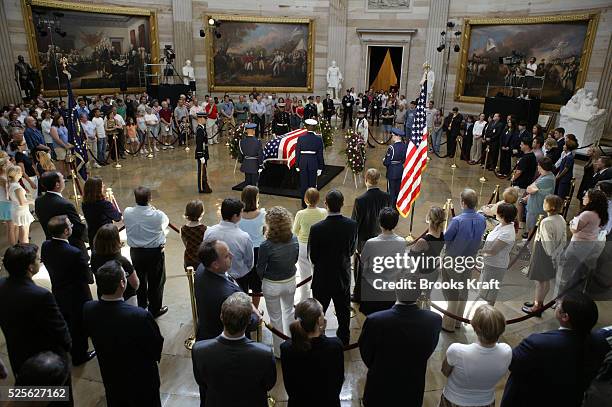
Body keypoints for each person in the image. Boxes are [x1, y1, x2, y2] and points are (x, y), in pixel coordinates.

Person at [83, 260, 164, 407]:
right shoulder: (139, 316)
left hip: (111, 375)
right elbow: (155, 345)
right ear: (122, 283)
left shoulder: (88, 308)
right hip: (141, 379)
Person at [501, 292, 600, 407]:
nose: (556, 304)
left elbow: (513, 363)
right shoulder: (598, 342)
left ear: (565, 316)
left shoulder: (537, 343)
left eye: (559, 305)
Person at [359, 271, 442, 407]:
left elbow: (366, 353)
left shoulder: (375, 321)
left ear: (396, 289)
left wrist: (380, 366)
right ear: (419, 292)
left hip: (380, 385)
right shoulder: (434, 320)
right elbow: (429, 349)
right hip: (412, 387)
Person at [0, 244, 71, 378]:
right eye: (38, 259)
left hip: (18, 355)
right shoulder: (41, 295)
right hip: (47, 360)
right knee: (58, 397)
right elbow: (59, 329)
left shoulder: (1, 285)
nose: (40, 260)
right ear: (30, 267)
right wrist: (67, 348)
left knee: (32, 394)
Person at [192, 292, 276, 407]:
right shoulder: (264, 354)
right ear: (248, 321)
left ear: (221, 317)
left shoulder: (199, 350)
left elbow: (201, 382)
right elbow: (268, 384)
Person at [41, 215, 96, 366]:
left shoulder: (45, 246)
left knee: (67, 321)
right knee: (77, 325)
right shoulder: (74, 252)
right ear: (66, 231)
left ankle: (68, 345)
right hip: (76, 294)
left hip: (58, 290)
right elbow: (88, 278)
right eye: (70, 225)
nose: (72, 226)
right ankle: (80, 355)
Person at [309, 189, 358, 345]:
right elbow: (351, 250)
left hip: (322, 277)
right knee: (343, 312)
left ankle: (318, 338)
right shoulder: (351, 225)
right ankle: (344, 339)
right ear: (342, 204)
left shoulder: (316, 228)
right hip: (341, 276)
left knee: (318, 312)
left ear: (326, 204)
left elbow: (313, 257)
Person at [440, 305, 511, 407]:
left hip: (453, 400)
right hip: (486, 402)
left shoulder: (457, 350)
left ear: (474, 326)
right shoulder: (506, 351)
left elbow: (445, 371)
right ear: (502, 328)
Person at [280, 298, 344, 407]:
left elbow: (289, 385)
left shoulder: (286, 348)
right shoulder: (335, 346)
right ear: (319, 320)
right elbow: (338, 381)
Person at [441, 188, 486, 332]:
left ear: (463, 203)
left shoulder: (457, 220)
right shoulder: (482, 219)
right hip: (469, 259)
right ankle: (458, 321)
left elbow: (446, 238)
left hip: (453, 260)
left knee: (451, 291)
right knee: (463, 289)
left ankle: (448, 324)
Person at [257, 206, 299, 357]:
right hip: (290, 281)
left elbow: (260, 268)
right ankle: (292, 341)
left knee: (275, 318)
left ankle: (279, 352)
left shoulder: (266, 245)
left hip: (272, 284)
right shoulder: (294, 238)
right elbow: (294, 259)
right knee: (289, 312)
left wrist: (264, 278)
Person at [124, 186, 169, 318]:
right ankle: (155, 309)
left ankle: (142, 304)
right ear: (150, 198)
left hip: (136, 252)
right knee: (156, 281)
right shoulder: (158, 215)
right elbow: (165, 223)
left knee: (140, 279)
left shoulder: (128, 212)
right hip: (154, 253)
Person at [555, 189, 608, 297]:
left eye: (586, 196)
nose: (584, 198)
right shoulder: (600, 212)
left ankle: (559, 298)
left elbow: (574, 229)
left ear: (592, 200)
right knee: (575, 271)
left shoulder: (587, 214)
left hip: (578, 245)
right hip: (588, 244)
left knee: (564, 270)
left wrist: (571, 223)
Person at [359, 207, 407, 315]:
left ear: (379, 223)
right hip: (391, 290)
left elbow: (362, 260)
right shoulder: (401, 242)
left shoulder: (371, 243)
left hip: (373, 288)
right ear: (395, 224)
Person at [351, 168, 391, 301]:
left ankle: (358, 295)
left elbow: (354, 223)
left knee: (360, 270)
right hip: (381, 237)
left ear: (366, 180)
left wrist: (354, 244)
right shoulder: (387, 197)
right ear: (378, 180)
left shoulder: (360, 200)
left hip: (364, 240)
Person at [523, 195, 566, 315]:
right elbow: (563, 239)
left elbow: (547, 242)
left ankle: (537, 307)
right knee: (544, 280)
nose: (543, 203)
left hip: (543, 253)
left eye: (545, 202)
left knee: (540, 282)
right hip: (553, 252)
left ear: (550, 206)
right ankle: (538, 302)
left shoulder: (546, 222)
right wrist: (556, 253)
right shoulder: (561, 218)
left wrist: (550, 256)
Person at [204, 198, 255, 288]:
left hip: (214, 276)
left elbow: (206, 254)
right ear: (235, 216)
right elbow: (249, 261)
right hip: (239, 279)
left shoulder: (209, 231)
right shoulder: (244, 237)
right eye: (241, 212)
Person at [35, 171, 88, 254]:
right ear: (57, 184)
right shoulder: (65, 204)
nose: (64, 180)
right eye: (62, 179)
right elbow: (78, 229)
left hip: (51, 245)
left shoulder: (39, 201)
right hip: (71, 247)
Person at [91, 224, 140, 305]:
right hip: (125, 298)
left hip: (104, 295)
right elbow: (135, 284)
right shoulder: (123, 261)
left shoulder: (94, 255)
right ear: (116, 240)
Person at [478, 203, 517, 305]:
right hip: (489, 263)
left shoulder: (507, 233)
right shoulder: (501, 225)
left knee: (490, 293)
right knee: (484, 291)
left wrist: (477, 252)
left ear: (503, 215)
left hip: (496, 266)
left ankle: (488, 315)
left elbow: (493, 251)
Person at [292, 188, 327, 300]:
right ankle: (317, 298)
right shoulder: (323, 212)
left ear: (306, 199)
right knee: (318, 273)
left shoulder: (300, 214)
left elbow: (295, 231)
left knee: (304, 275)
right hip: (320, 245)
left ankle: (304, 300)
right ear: (318, 200)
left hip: (303, 245)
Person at [409, 206, 446, 306]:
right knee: (427, 296)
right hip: (433, 271)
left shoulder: (424, 241)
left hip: (422, 274)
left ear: (429, 219)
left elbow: (411, 254)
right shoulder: (442, 235)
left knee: (417, 298)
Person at [237, 186, 265, 306]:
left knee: (243, 279)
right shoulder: (262, 214)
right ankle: (255, 308)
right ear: (255, 199)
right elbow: (265, 232)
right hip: (257, 251)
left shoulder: (237, 215)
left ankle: (243, 308)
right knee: (256, 284)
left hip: (242, 249)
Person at [81, 176, 122, 245]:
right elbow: (117, 217)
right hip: (106, 237)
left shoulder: (85, 203)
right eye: (102, 186)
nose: (104, 186)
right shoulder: (104, 204)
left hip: (93, 235)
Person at [295, 118, 325, 208]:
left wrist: (297, 164)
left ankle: (304, 204)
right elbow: (320, 155)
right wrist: (320, 167)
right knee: (312, 185)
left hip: (303, 162)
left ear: (306, 127)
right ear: (314, 127)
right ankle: (312, 203)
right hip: (313, 162)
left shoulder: (301, 138)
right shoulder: (318, 139)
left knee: (303, 185)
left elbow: (297, 152)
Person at [524, 157, 556, 237]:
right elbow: (531, 188)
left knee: (533, 227)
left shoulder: (548, 178)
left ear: (542, 167)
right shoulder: (544, 175)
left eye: (538, 165)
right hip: (534, 205)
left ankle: (528, 246)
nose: (537, 166)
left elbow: (529, 189)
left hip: (537, 207)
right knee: (530, 225)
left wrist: (531, 189)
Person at [7, 166, 34, 244]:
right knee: (24, 236)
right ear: (16, 174)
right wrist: (32, 201)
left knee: (22, 234)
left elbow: (11, 198)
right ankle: (25, 253)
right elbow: (22, 202)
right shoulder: (17, 187)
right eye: (20, 172)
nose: (22, 173)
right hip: (22, 212)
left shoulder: (11, 184)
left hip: (16, 210)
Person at [383, 128, 407, 206]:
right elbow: (403, 160)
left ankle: (390, 207)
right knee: (397, 190)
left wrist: (384, 160)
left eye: (393, 135)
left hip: (392, 171)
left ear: (397, 136)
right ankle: (396, 206)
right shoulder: (404, 146)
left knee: (391, 191)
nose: (392, 136)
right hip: (400, 170)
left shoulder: (392, 147)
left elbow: (386, 162)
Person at [181, 200, 207, 270]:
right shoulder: (205, 229)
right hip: (202, 259)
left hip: (189, 258)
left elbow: (186, 244)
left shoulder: (183, 229)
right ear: (202, 213)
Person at [195, 112, 212, 193]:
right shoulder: (199, 130)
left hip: (204, 152)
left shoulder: (202, 128)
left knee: (204, 171)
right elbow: (199, 144)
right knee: (201, 171)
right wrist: (201, 156)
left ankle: (204, 186)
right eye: (205, 118)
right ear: (201, 118)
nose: (206, 120)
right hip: (201, 154)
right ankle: (201, 188)